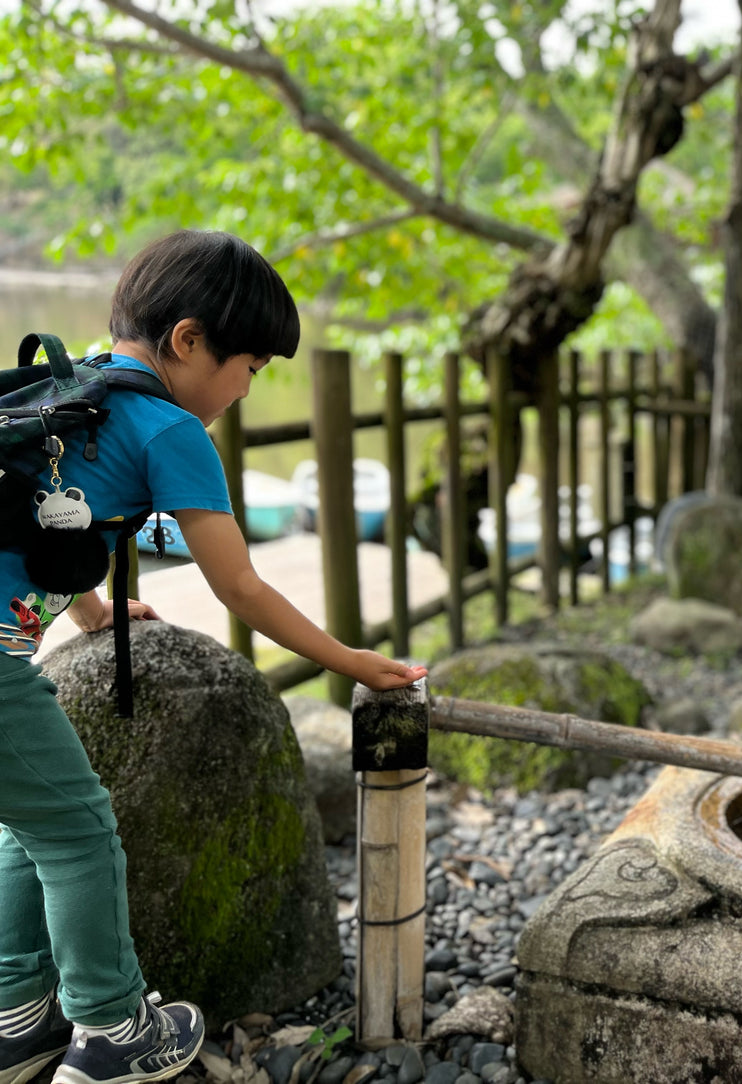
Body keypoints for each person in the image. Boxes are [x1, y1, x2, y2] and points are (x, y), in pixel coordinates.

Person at [0, 231, 427, 1084]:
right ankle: (114, 1027)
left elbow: (41, 521)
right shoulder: (169, 430)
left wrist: (91, 609)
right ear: (190, 342)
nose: (244, 389)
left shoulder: (67, 385)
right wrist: (351, 659)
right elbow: (241, 587)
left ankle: (17, 1016)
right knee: (82, 832)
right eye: (253, 367)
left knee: (29, 824)